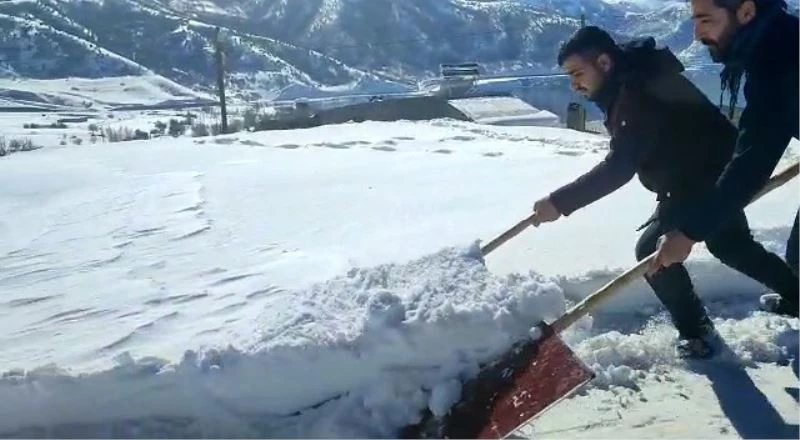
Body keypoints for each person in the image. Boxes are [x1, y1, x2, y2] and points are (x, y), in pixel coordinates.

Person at [530, 25, 797, 358]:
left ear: (603, 62)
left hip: (700, 178)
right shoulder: (631, 77)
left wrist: (559, 202)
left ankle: (695, 330)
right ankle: (796, 297)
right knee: (732, 246)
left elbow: (619, 167)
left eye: (577, 73)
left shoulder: (634, 93)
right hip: (705, 171)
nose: (574, 84)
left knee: (653, 253)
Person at [649, 0, 799, 318]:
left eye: (705, 20)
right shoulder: (781, 41)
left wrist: (690, 233)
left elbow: (753, 160)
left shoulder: (778, 62)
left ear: (746, 12)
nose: (697, 33)